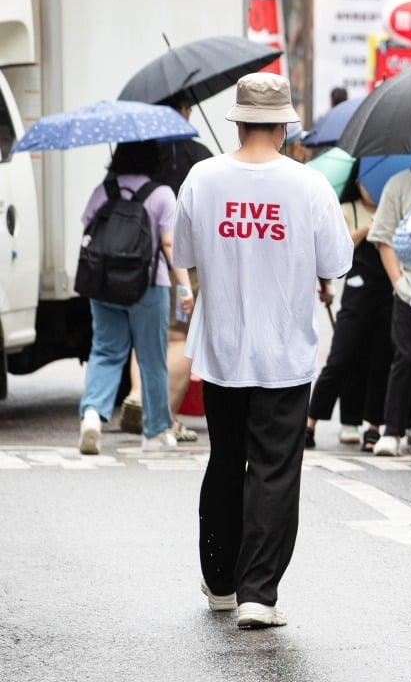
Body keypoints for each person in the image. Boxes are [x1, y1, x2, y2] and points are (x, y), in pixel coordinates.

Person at [175, 72, 353, 629]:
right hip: (283, 352)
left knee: (226, 461)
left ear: (237, 119)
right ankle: (259, 593)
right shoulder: (308, 185)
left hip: (223, 349)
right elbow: (336, 263)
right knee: (275, 471)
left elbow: (187, 254)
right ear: (283, 123)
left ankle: (221, 582)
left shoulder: (202, 178)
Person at [77, 141, 195, 455]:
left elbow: (88, 231)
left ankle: (92, 415)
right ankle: (154, 432)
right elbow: (170, 245)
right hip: (148, 286)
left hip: (103, 285)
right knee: (152, 358)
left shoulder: (103, 190)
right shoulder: (160, 195)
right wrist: (184, 287)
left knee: (104, 351)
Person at [118, 92, 212, 442]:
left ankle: (136, 394)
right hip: (183, 263)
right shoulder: (200, 157)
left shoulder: (142, 151)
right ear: (184, 111)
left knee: (144, 336)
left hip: (140, 258)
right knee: (178, 339)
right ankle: (165, 417)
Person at [305, 162, 389, 451]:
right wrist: (366, 229)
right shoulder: (347, 209)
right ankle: (310, 422)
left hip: (387, 294)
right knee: (340, 358)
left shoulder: (390, 205)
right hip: (356, 292)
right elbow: (338, 248)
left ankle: (374, 427)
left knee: (380, 361)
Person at [368, 153, 411, 457]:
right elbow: (383, 238)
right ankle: (392, 429)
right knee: (408, 356)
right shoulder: (398, 184)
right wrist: (397, 282)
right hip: (409, 286)